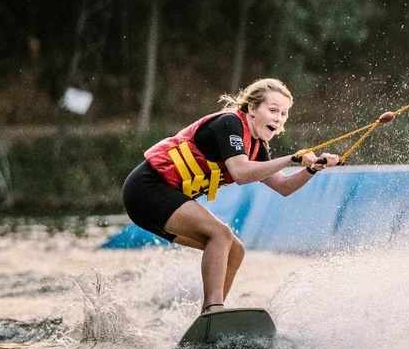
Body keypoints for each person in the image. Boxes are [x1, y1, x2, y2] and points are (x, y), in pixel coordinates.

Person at [121, 78, 339, 315]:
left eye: (284, 113)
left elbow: (283, 186)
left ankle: (209, 320)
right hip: (147, 189)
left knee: (235, 249)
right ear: (253, 109)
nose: (279, 118)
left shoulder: (256, 147)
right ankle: (214, 310)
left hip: (160, 199)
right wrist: (290, 159)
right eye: (273, 110)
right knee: (221, 234)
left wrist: (311, 169)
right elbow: (240, 172)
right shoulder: (230, 124)